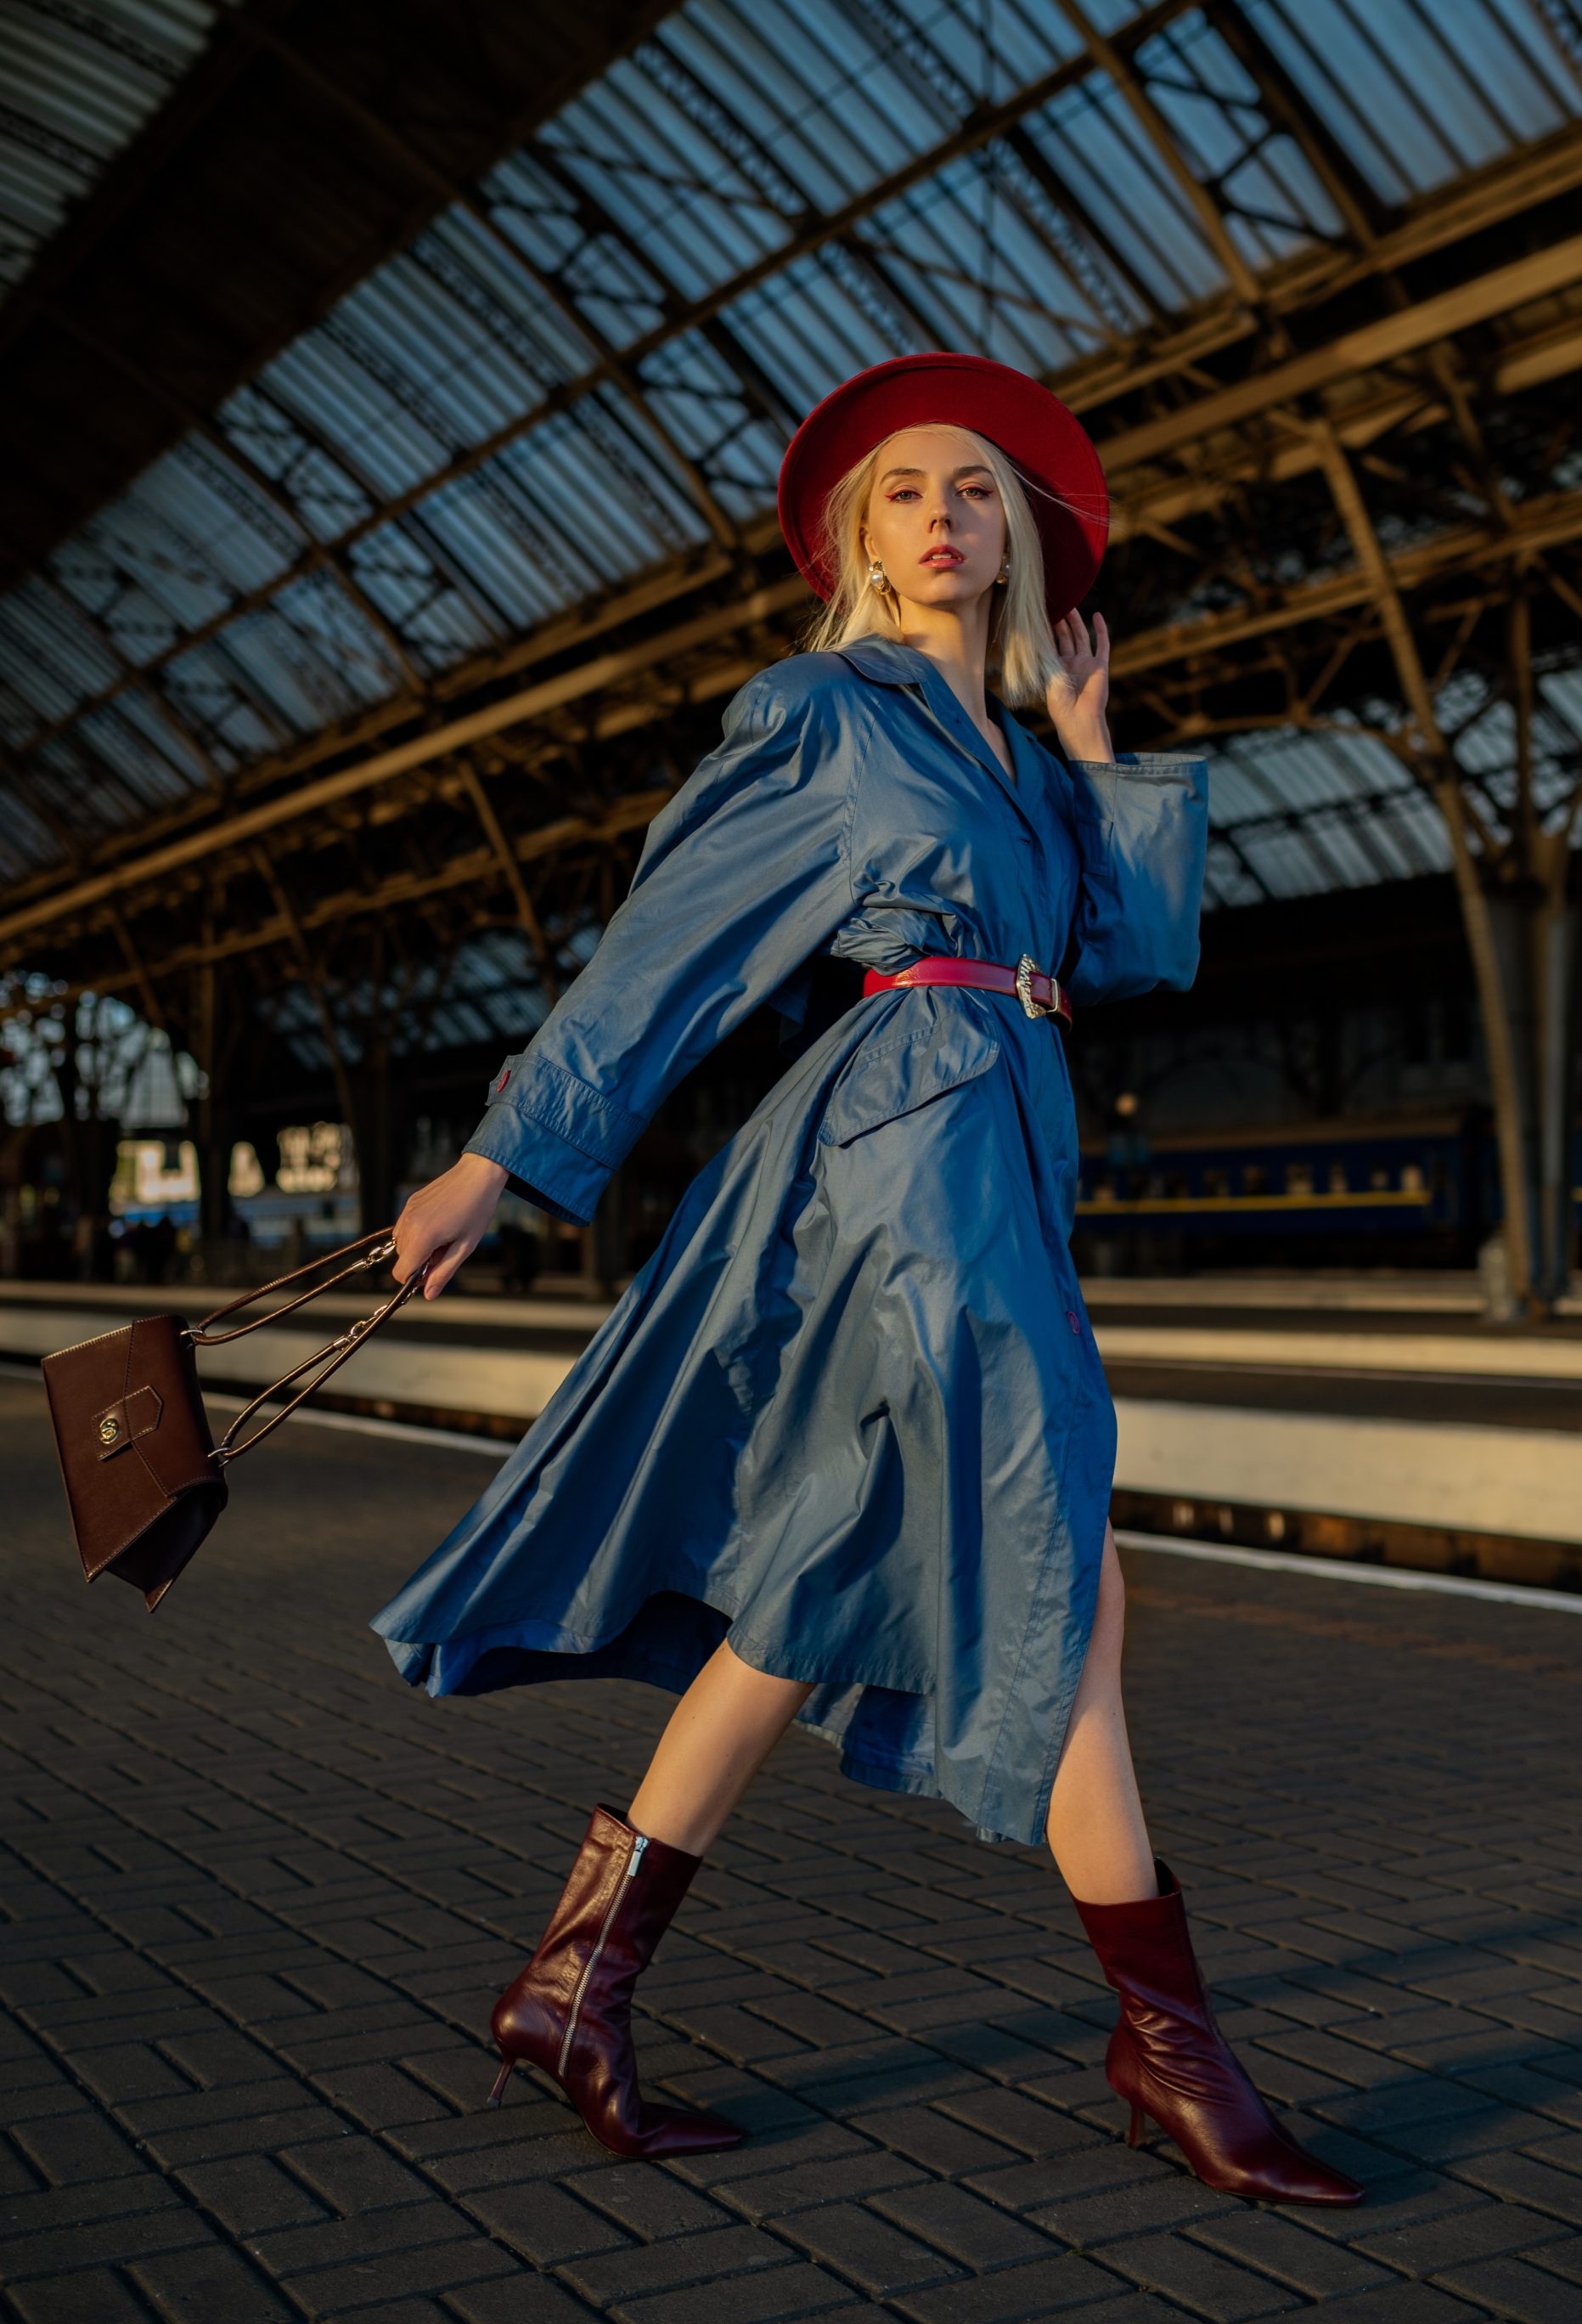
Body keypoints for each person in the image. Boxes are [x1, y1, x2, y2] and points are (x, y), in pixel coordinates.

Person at [375, 353, 1361, 2207]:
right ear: (860, 541)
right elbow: (668, 943)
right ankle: (1172, 2052)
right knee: (1060, 1561)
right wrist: (497, 1158)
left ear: (1017, 541)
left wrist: (1086, 746)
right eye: (905, 491)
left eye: (975, 490)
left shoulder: (1003, 751)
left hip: (1005, 1131)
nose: (942, 513)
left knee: (820, 1575)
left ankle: (572, 1985)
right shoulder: (824, 712)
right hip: (906, 1144)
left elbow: (1134, 953)